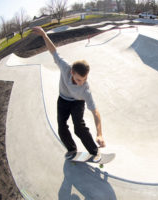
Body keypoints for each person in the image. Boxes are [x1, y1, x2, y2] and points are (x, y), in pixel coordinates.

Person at [32, 26, 105, 161]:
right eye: (78, 80)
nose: (81, 83)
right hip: (63, 100)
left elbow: (95, 112)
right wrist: (44, 35)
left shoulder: (85, 89)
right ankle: (71, 149)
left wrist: (99, 134)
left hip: (78, 102)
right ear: (72, 72)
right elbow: (53, 51)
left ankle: (95, 151)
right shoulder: (65, 67)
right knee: (61, 126)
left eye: (84, 80)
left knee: (79, 127)